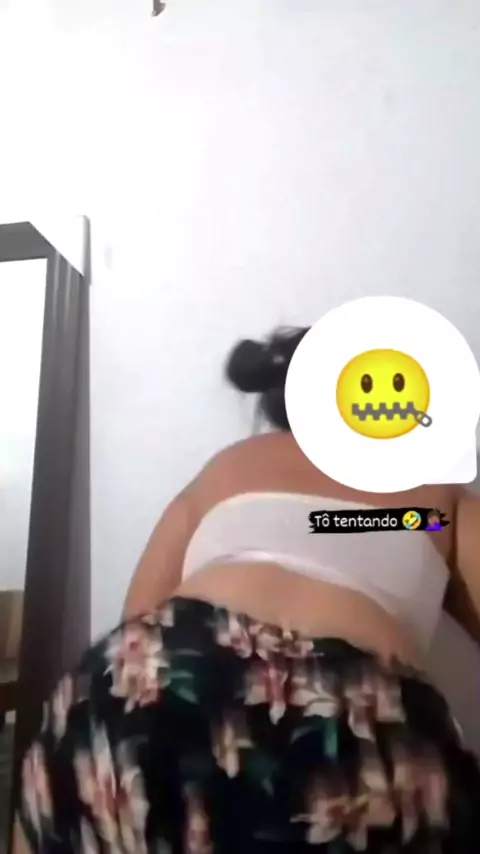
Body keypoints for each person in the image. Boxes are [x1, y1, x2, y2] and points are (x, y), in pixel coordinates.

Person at [16, 327, 480, 854]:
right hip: (352, 720)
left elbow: (139, 616)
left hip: (153, 684)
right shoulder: (432, 487)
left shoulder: (228, 467)